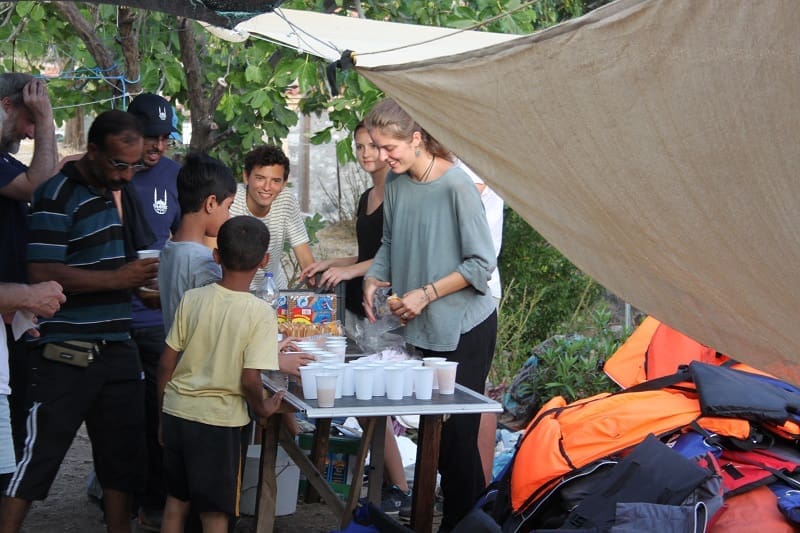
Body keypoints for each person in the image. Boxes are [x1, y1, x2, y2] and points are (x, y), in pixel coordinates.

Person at [0, 109, 159, 533]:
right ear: (93, 151)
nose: (127, 175)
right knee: (39, 458)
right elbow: (41, 273)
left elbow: (102, 264)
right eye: (118, 164)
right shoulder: (57, 193)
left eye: (134, 165)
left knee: (123, 460)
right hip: (67, 349)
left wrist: (136, 288)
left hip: (117, 344)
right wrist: (118, 278)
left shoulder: (111, 191)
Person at [363, 98, 497, 532]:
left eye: (388, 148)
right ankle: (463, 523)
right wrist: (374, 279)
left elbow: (481, 264)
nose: (383, 157)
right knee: (435, 437)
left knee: (457, 440)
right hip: (423, 326)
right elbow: (389, 242)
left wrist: (425, 293)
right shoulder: (399, 185)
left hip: (466, 328)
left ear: (416, 139)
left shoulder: (457, 185)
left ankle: (467, 524)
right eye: (378, 148)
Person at [300, 121, 411, 515]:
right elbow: (368, 251)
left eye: (373, 146)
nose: (366, 153)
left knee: (377, 399)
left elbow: (394, 257)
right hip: (361, 308)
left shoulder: (402, 190)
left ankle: (398, 486)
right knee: (363, 396)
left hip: (389, 307)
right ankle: (390, 484)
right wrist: (335, 262)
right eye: (360, 146)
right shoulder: (367, 194)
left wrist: (353, 271)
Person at [157, 215, 285, 533]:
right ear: (264, 260)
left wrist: (162, 416)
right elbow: (250, 379)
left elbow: (165, 364)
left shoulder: (192, 299)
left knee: (175, 504)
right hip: (219, 425)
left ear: (216, 256)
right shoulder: (260, 313)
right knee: (215, 515)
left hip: (177, 413)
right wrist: (262, 409)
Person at [126, 92, 182, 527]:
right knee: (119, 414)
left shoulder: (175, 176)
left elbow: (187, 241)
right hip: (110, 315)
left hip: (157, 317)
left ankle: (150, 499)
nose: (158, 146)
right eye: (150, 136)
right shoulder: (111, 174)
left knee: (155, 411)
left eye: (165, 137)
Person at [0, 73, 60, 458]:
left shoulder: (4, 160)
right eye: (27, 121)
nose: (30, 133)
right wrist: (48, 120)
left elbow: (45, 179)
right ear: (6, 105)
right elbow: (37, 184)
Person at [229, 145, 315, 290]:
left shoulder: (286, 200)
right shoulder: (230, 200)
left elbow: (305, 259)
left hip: (272, 292)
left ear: (284, 183)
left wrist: (319, 292)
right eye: (260, 178)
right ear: (246, 177)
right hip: (234, 294)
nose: (267, 187)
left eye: (276, 181)